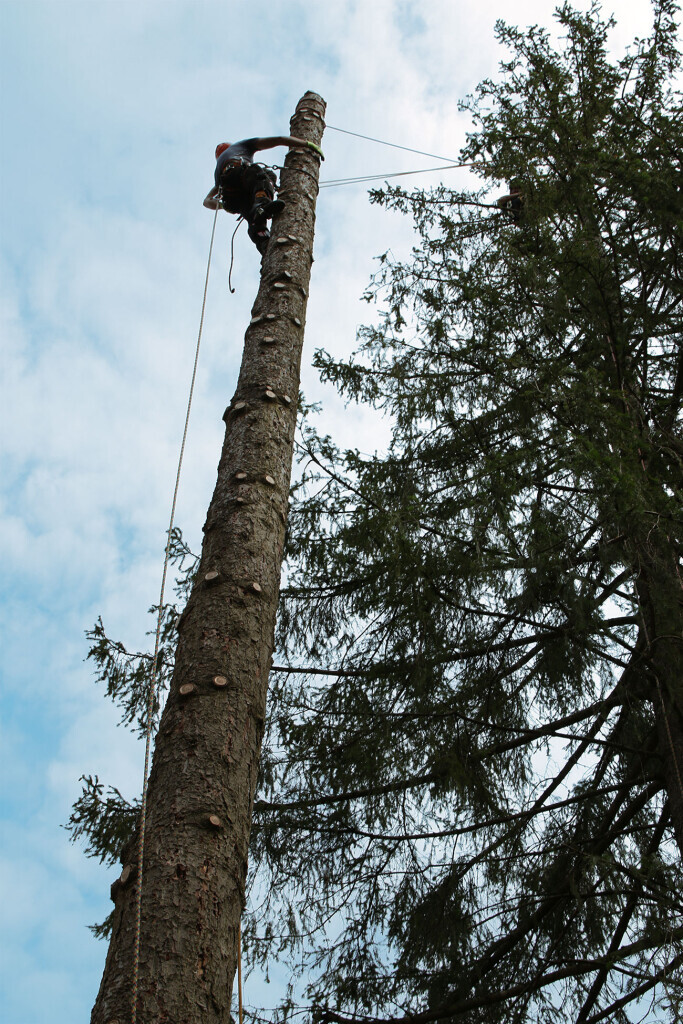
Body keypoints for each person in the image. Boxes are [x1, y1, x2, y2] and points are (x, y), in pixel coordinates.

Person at [204, 136, 324, 255]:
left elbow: (206, 201)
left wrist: (222, 206)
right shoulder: (242, 146)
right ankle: (262, 204)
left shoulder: (218, 171)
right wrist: (307, 144)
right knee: (265, 175)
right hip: (242, 174)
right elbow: (279, 139)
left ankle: (261, 238)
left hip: (232, 197)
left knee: (251, 214)